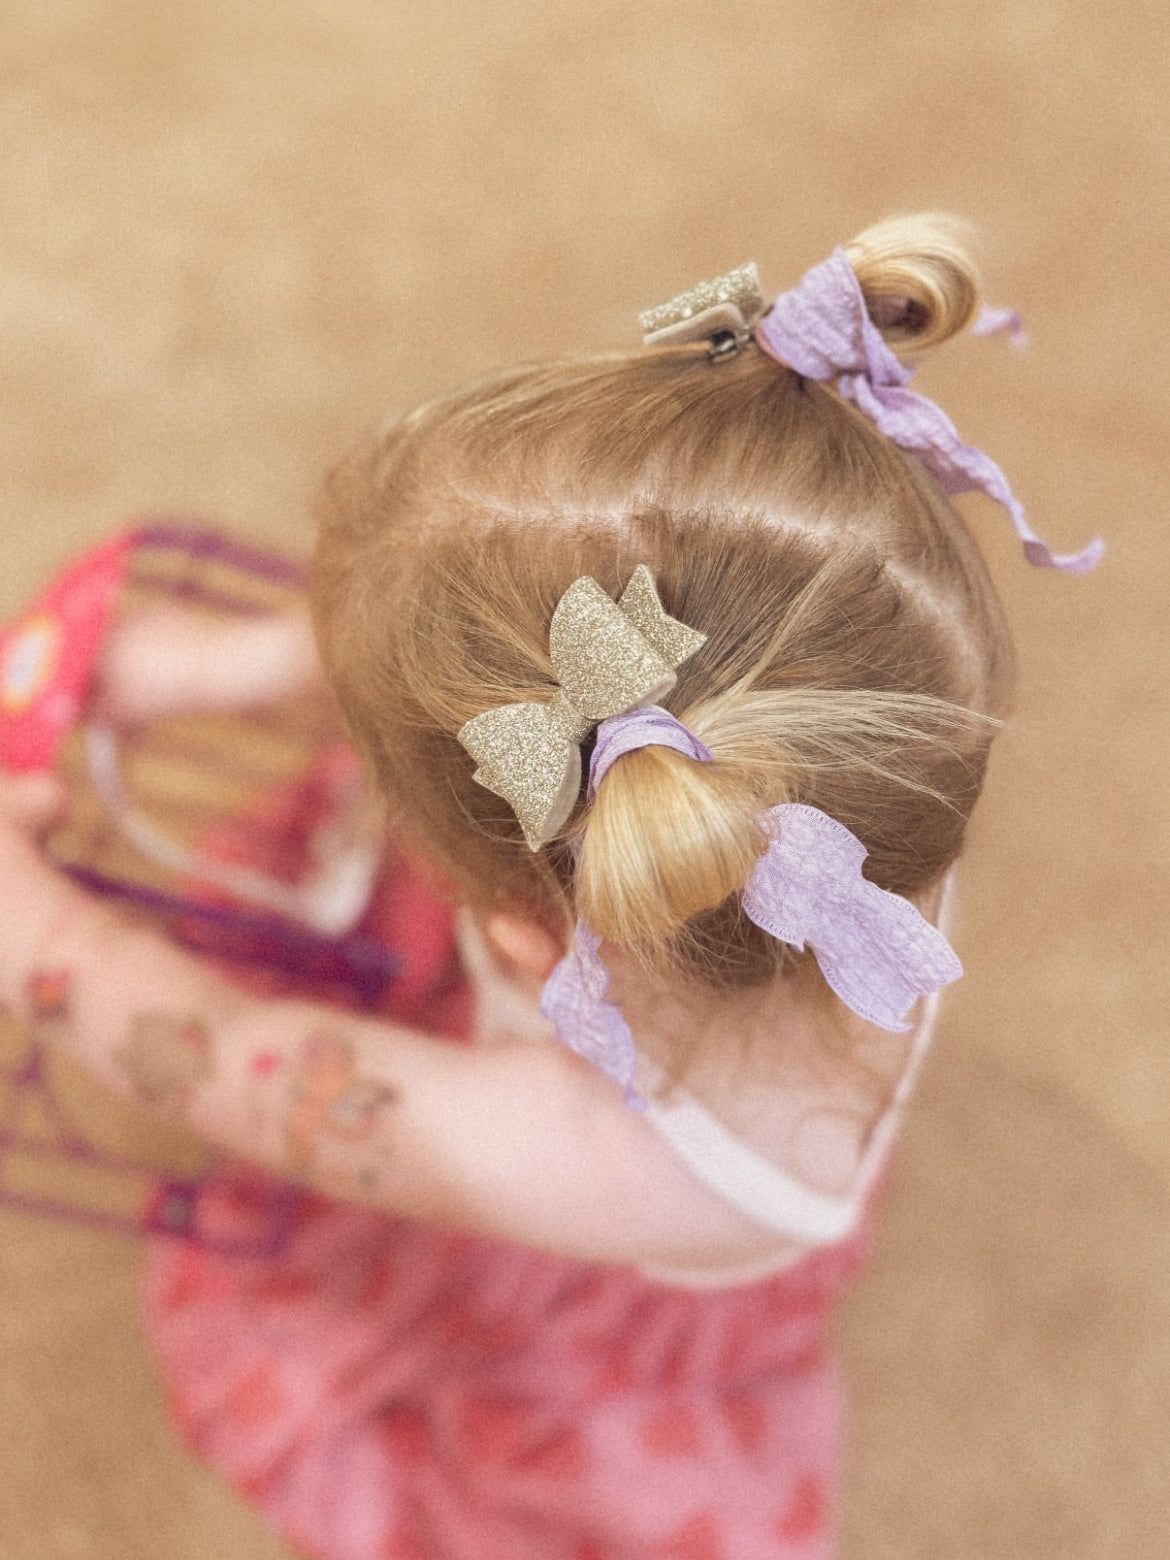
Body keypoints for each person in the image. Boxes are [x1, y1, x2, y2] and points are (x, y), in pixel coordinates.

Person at [0, 215, 1098, 1560]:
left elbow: (219, 1054)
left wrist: (32, 923)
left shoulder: (569, 1153)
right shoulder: (856, 751)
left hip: (599, 1228)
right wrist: (240, 668)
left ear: (515, 938)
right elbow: (567, 630)